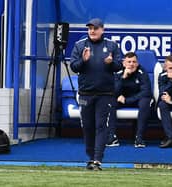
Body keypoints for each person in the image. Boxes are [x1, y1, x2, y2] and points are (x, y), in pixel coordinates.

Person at [70, 18, 122, 170]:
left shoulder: (111, 45)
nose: (92, 31)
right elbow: (74, 66)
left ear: (102, 30)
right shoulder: (80, 46)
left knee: (101, 126)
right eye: (90, 28)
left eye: (95, 28)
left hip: (105, 93)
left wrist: (111, 63)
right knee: (87, 126)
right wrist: (83, 61)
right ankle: (91, 157)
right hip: (85, 93)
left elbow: (119, 66)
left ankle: (98, 159)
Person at [107, 52, 152, 148]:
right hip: (121, 99)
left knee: (145, 102)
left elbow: (146, 92)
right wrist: (123, 78)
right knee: (110, 101)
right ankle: (112, 137)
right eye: (129, 62)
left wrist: (127, 100)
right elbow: (113, 92)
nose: (131, 64)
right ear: (124, 63)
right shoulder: (118, 72)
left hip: (136, 100)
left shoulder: (142, 72)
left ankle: (139, 138)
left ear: (137, 63)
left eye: (134, 62)